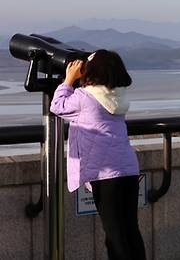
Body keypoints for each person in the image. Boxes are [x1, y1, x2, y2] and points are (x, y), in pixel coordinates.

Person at [50, 50, 146, 260]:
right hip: (128, 170)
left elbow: (57, 107)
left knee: (115, 236)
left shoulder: (85, 97)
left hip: (106, 175)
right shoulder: (116, 96)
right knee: (130, 230)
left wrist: (68, 80)